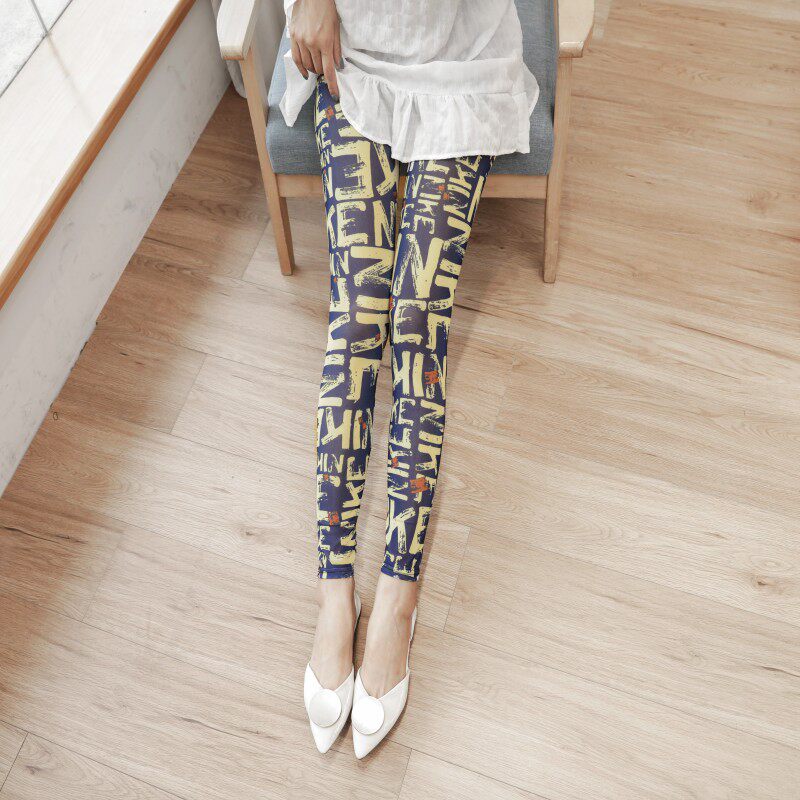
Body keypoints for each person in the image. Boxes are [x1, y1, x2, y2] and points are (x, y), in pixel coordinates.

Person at [279, 0, 539, 758]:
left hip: (462, 64)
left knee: (420, 320)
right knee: (359, 313)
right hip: (352, 57)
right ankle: (335, 592)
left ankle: (399, 595)